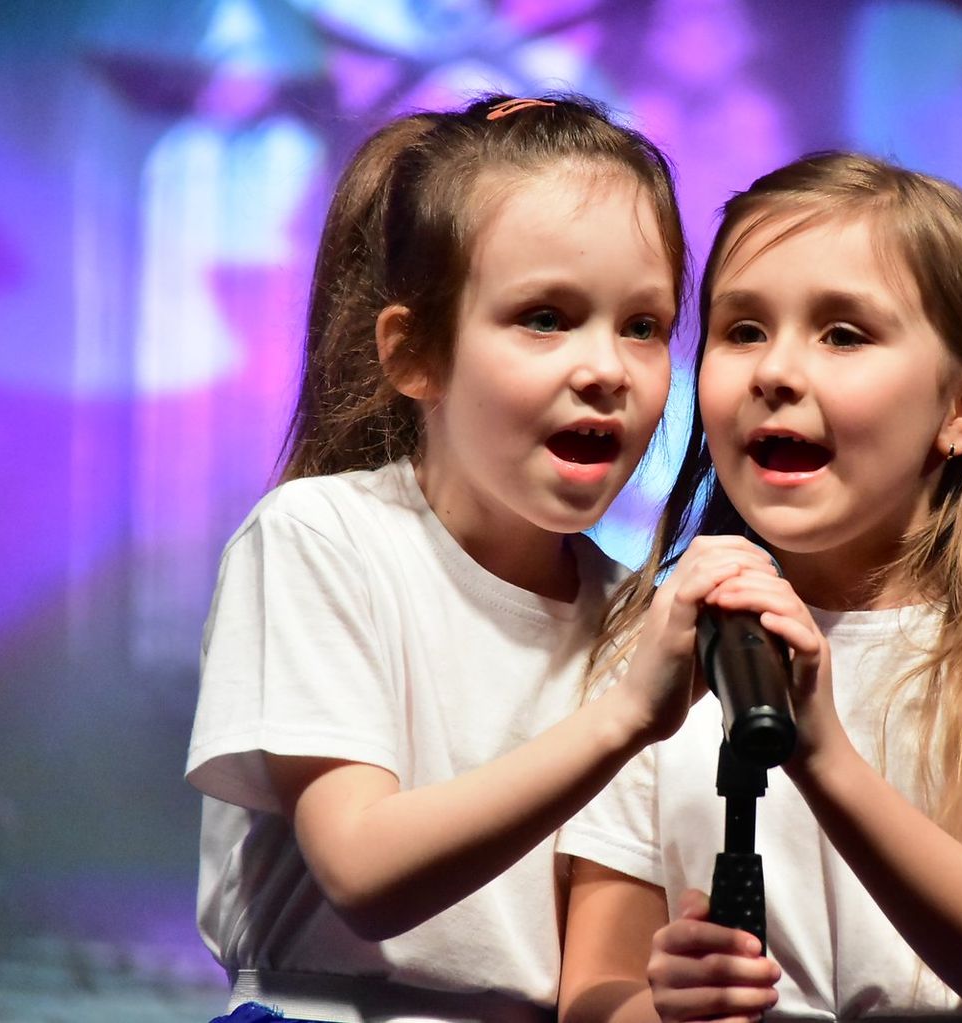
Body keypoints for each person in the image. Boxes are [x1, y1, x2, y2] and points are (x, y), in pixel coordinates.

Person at [557, 152, 962, 1023]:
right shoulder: (655, 641)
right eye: (742, 330)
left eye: (843, 334)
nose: (775, 372)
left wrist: (821, 753)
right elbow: (593, 991)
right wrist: (667, 1008)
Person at [185, 94, 761, 1023]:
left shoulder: (632, 623)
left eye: (644, 325)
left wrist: (681, 1003)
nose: (607, 368)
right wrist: (625, 716)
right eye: (546, 316)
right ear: (416, 353)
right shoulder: (320, 535)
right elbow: (362, 870)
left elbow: (590, 990)